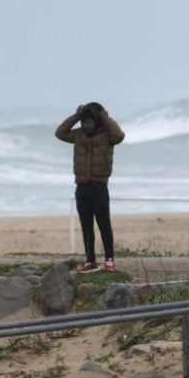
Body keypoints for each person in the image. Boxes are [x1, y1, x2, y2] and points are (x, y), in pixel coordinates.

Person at [55, 102, 125, 273]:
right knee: (86, 226)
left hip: (99, 186)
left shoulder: (107, 136)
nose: (87, 126)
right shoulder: (78, 135)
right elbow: (60, 133)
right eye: (84, 123)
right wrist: (76, 116)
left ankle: (109, 259)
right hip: (82, 186)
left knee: (104, 224)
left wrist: (105, 117)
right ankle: (90, 261)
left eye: (90, 122)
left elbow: (120, 135)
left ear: (97, 121)